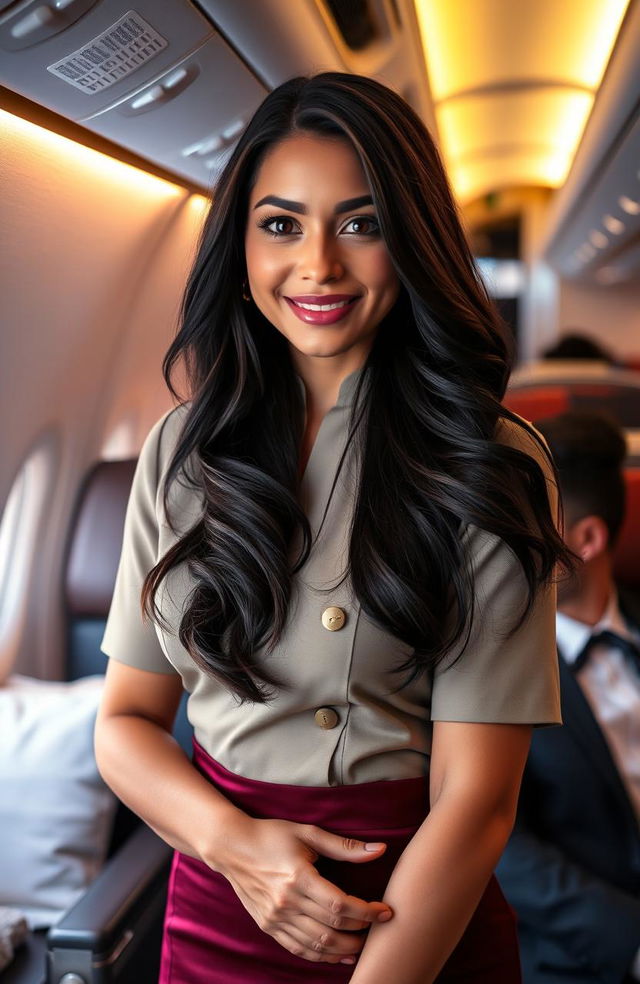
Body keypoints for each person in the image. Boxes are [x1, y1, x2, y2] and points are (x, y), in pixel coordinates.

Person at [94, 72, 568, 984]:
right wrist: (236, 849)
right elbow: (124, 723)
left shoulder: (491, 460)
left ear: (414, 240)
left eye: (362, 224)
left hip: (417, 927)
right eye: (281, 225)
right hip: (220, 915)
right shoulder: (178, 452)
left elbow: (476, 803)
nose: (318, 265)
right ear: (239, 247)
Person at [496, 411, 640, 984]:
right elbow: (501, 844)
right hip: (578, 957)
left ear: (587, 538)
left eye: (528, 518)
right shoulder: (495, 661)